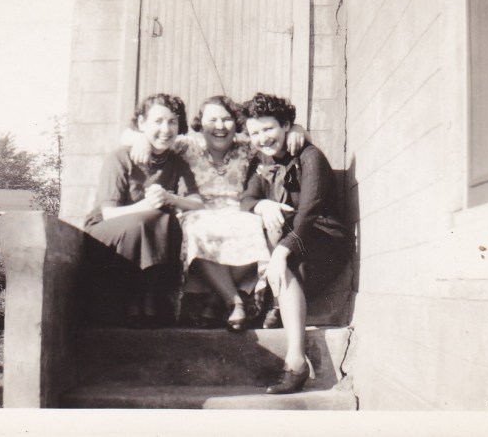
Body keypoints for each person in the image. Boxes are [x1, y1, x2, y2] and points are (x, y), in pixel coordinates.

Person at [124, 96, 307, 330]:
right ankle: (234, 300)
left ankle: (215, 299)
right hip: (197, 209)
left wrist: (298, 129)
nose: (220, 126)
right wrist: (140, 139)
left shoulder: (246, 146)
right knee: (196, 228)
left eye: (227, 119)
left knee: (255, 227)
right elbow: (130, 135)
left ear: (237, 123)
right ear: (201, 124)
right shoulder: (187, 145)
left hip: (238, 210)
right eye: (213, 120)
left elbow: (278, 135)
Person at [240, 93, 353, 394]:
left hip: (325, 238)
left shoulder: (309, 156)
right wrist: (264, 205)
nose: (263, 138)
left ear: (287, 125)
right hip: (294, 239)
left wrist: (280, 252)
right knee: (271, 235)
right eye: (255, 133)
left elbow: (310, 209)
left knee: (284, 263)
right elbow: (246, 199)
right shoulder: (262, 162)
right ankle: (279, 309)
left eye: (269, 129)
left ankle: (296, 361)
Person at [85, 94, 203, 328]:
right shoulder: (120, 158)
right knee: (155, 218)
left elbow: (197, 202)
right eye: (158, 121)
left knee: (166, 219)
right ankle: (139, 303)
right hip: (105, 236)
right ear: (141, 124)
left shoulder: (177, 162)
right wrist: (148, 206)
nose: (165, 129)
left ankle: (147, 303)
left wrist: (170, 197)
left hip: (145, 235)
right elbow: (109, 214)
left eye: (172, 122)